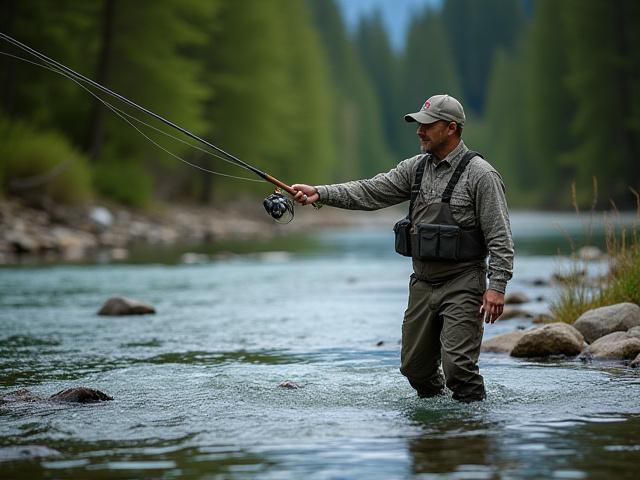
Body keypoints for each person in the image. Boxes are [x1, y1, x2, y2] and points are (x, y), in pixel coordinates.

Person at [292, 94, 514, 403]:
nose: (419, 131)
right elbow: (370, 191)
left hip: (464, 283)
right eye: (418, 125)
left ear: (451, 128)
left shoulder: (482, 175)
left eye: (426, 125)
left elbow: (500, 237)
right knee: (414, 369)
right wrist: (320, 193)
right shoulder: (415, 168)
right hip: (422, 284)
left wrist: (497, 286)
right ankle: (437, 428)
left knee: (459, 369)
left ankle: (473, 435)